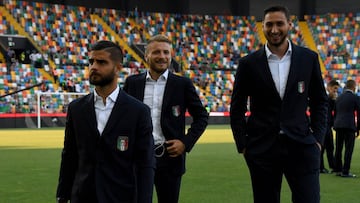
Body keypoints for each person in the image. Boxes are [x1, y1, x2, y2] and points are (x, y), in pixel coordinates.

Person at [230, 5, 328, 203]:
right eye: (269, 25)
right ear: (263, 26)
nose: (274, 30)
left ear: (290, 25)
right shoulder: (248, 64)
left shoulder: (309, 58)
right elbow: (237, 106)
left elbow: (320, 101)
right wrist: (243, 145)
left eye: (279, 24)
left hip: (302, 147)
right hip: (262, 149)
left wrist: (317, 139)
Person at [56, 40, 155, 203]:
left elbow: (145, 164)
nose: (94, 67)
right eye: (91, 62)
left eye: (101, 62)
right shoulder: (76, 109)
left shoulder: (138, 111)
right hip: (82, 197)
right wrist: (62, 195)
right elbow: (70, 155)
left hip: (121, 197)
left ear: (118, 68)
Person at [123, 34, 208, 203]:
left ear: (171, 56)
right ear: (146, 56)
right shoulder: (132, 83)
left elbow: (202, 116)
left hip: (170, 159)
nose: (162, 56)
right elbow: (121, 118)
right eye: (156, 52)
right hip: (138, 158)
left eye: (166, 52)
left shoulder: (182, 84)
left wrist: (185, 142)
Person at [333, 79, 360, 178]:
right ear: (353, 87)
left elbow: (335, 113)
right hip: (349, 126)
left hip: (338, 125)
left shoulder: (339, 98)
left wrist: (335, 124)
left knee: (338, 148)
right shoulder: (355, 98)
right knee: (349, 149)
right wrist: (358, 129)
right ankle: (345, 171)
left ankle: (338, 169)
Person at [320, 79, 339, 173]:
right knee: (322, 147)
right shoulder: (324, 96)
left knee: (330, 147)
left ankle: (333, 166)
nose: (335, 91)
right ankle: (321, 167)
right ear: (329, 87)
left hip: (328, 126)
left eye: (336, 89)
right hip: (323, 125)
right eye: (334, 89)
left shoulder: (331, 99)